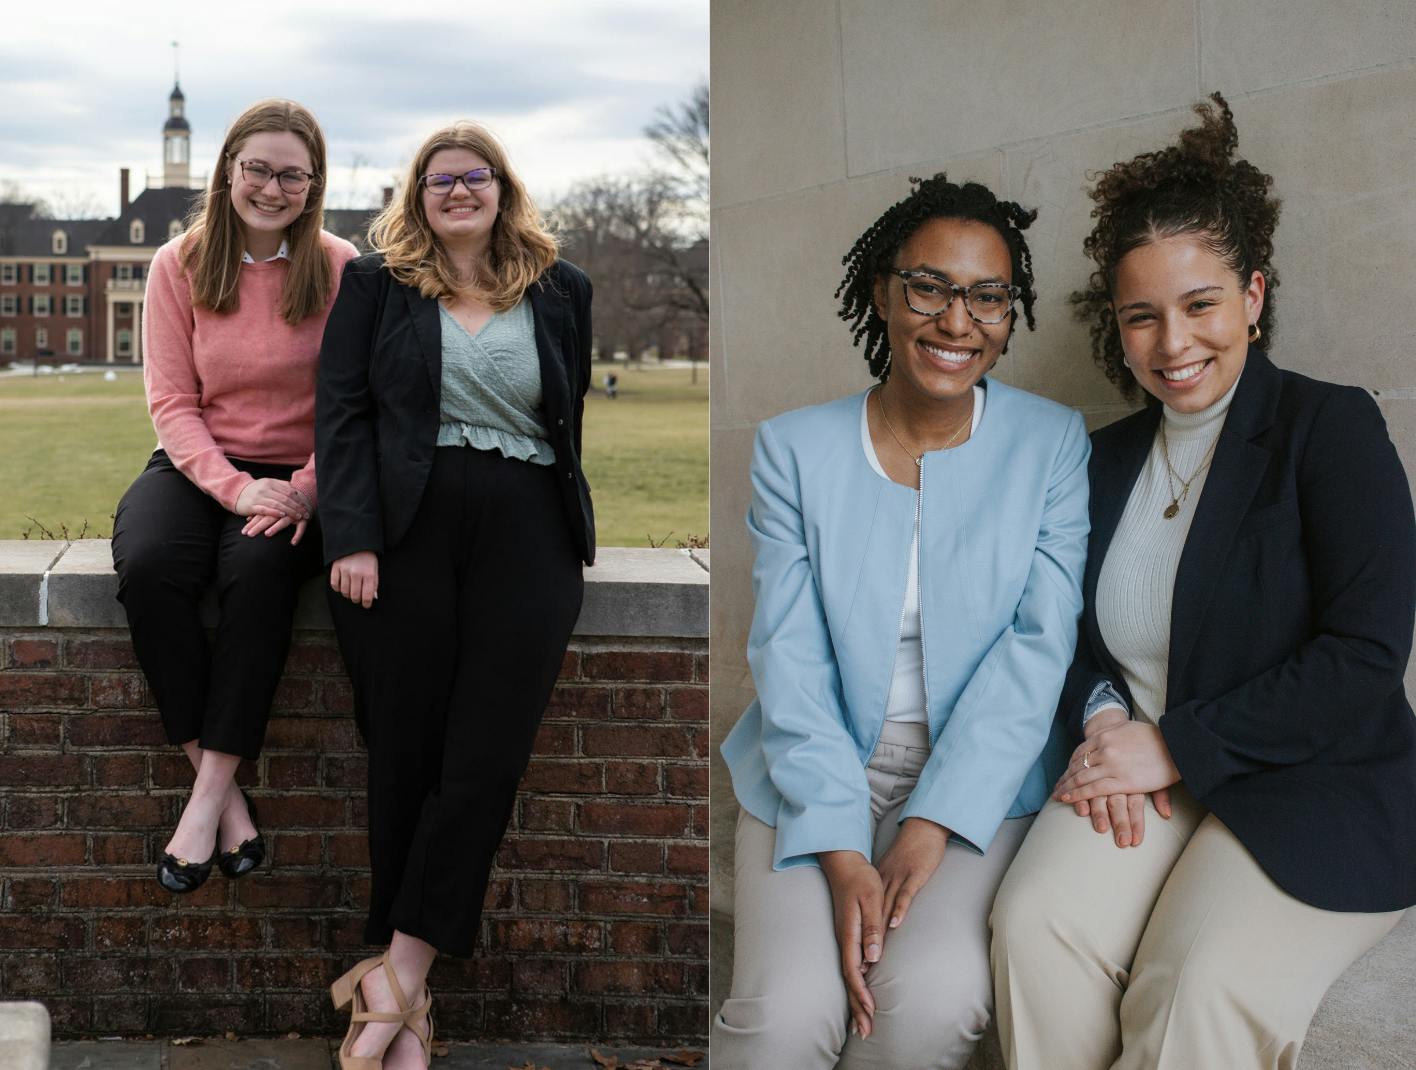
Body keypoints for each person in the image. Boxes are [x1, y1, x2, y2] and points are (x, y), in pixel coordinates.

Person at [990, 94, 1416, 1070]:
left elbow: (1363, 655)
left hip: (1313, 782)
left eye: (1200, 303)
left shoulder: (1329, 429)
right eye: (1142, 315)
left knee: (1191, 989)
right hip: (1140, 764)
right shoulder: (1094, 461)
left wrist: (1171, 745)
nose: (1171, 343)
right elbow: (1057, 629)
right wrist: (1103, 718)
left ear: (1254, 294)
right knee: (1033, 926)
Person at [712, 174, 1090, 1069]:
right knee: (785, 1021)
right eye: (930, 286)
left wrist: (934, 820)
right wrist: (843, 849)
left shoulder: (1051, 444)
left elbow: (1037, 651)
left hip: (976, 788)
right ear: (885, 291)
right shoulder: (793, 450)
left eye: (988, 296)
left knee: (928, 1006)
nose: (957, 321)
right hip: (811, 770)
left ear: (1010, 311)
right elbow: (788, 657)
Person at [316, 121, 593, 1070]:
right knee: (404, 753)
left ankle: (390, 979)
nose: (459, 191)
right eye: (441, 180)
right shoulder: (374, 285)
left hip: (529, 538)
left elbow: (567, 420)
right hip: (406, 532)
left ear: (503, 189)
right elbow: (342, 413)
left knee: (484, 759)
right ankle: (410, 1001)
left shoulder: (562, 289)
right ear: (417, 194)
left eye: (476, 177)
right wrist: (350, 534)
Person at [110, 99, 357, 895]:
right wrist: (236, 485)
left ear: (313, 183)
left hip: (302, 478)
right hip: (198, 466)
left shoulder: (343, 267)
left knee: (256, 577)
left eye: (292, 173)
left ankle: (205, 800)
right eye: (258, 168)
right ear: (228, 168)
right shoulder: (177, 265)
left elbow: (352, 403)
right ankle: (225, 796)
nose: (272, 187)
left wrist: (304, 491)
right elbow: (173, 406)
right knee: (149, 568)